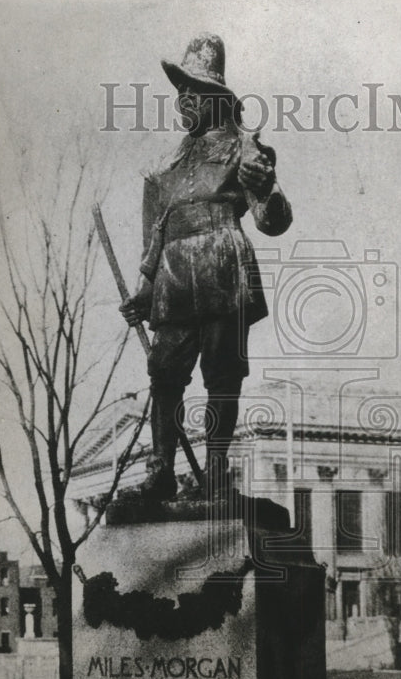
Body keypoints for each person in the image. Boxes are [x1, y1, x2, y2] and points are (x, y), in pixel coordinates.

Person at [121, 34, 293, 501]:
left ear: (216, 98)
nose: (183, 101)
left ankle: (216, 471)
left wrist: (270, 190)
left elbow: (270, 220)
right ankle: (160, 469)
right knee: (165, 374)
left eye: (192, 91)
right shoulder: (162, 168)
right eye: (179, 92)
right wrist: (143, 291)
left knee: (222, 374)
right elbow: (153, 239)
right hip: (174, 280)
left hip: (224, 270)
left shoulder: (246, 149)